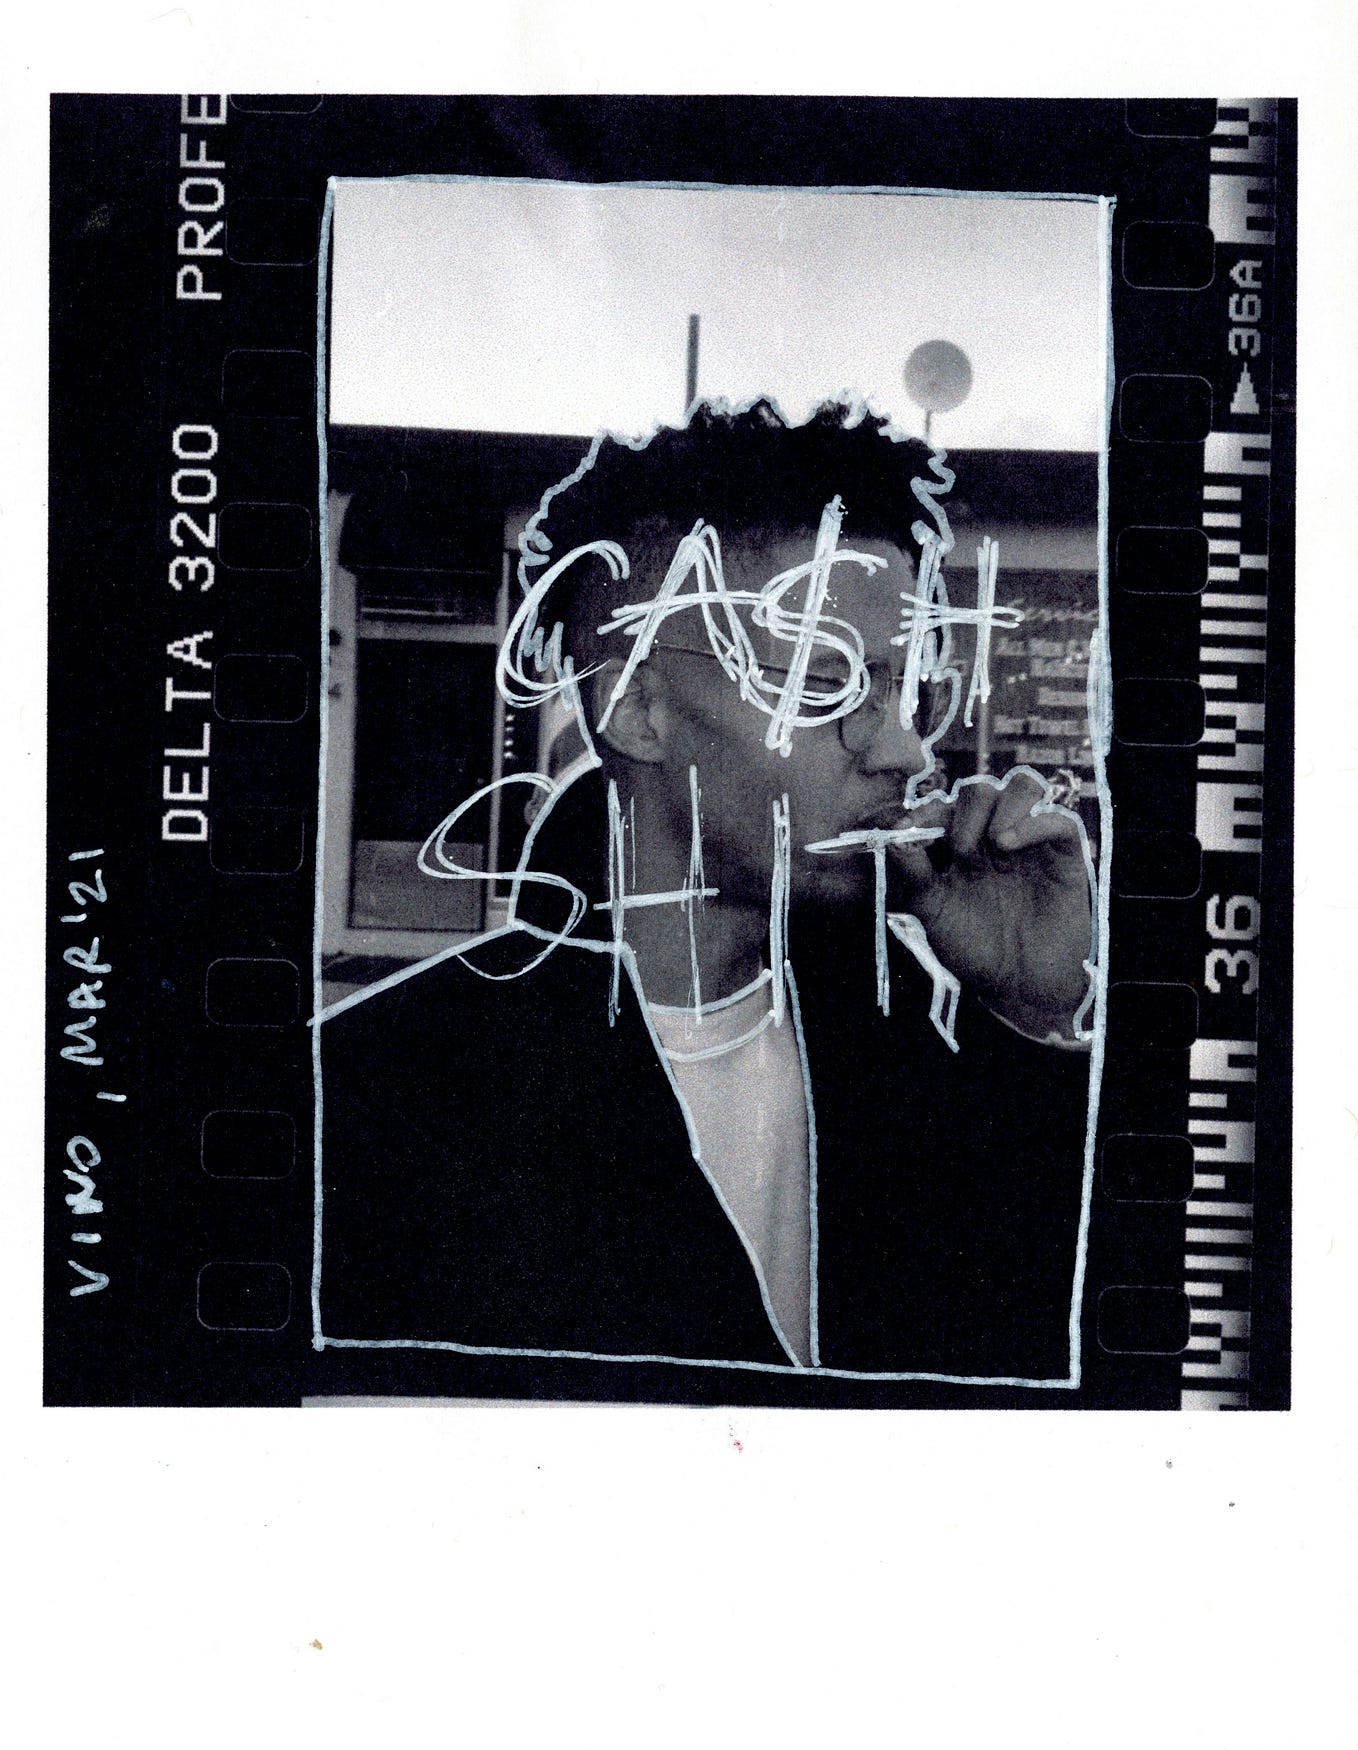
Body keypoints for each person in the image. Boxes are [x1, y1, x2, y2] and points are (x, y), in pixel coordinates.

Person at [319, 401, 1097, 1383]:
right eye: (822, 681)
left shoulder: (923, 1055)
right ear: (639, 709)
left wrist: (1038, 1018)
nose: (905, 751)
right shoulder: (372, 1100)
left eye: (906, 692)